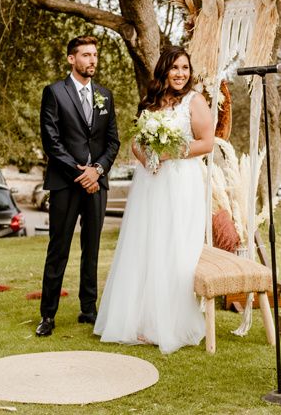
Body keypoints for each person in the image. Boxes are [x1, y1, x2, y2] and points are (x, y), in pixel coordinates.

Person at [94, 46, 214, 354]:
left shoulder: (195, 101)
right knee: (146, 246)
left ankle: (170, 323)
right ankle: (142, 321)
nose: (180, 74)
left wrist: (170, 153)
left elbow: (207, 142)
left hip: (181, 183)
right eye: (175, 68)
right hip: (150, 184)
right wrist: (146, 157)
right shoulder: (151, 103)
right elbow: (136, 140)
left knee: (175, 250)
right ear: (164, 70)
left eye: (185, 68)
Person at [36, 36, 120, 336]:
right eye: (86, 55)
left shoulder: (105, 96)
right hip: (65, 183)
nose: (92, 60)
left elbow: (113, 141)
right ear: (72, 59)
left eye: (95, 55)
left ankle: (89, 309)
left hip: (97, 184)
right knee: (58, 248)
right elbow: (51, 141)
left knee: (92, 248)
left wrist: (97, 171)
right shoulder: (54, 93)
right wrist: (80, 172)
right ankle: (48, 314)